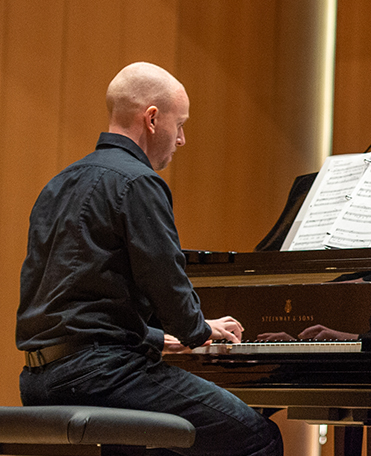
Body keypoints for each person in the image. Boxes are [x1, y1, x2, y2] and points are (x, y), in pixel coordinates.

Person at [16, 62, 283, 456]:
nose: (182, 139)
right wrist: (198, 330)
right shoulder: (138, 182)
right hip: (101, 377)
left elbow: (75, 300)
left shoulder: (58, 184)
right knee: (257, 438)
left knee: (161, 446)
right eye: (180, 125)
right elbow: (166, 284)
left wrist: (158, 338)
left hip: (39, 379)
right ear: (153, 119)